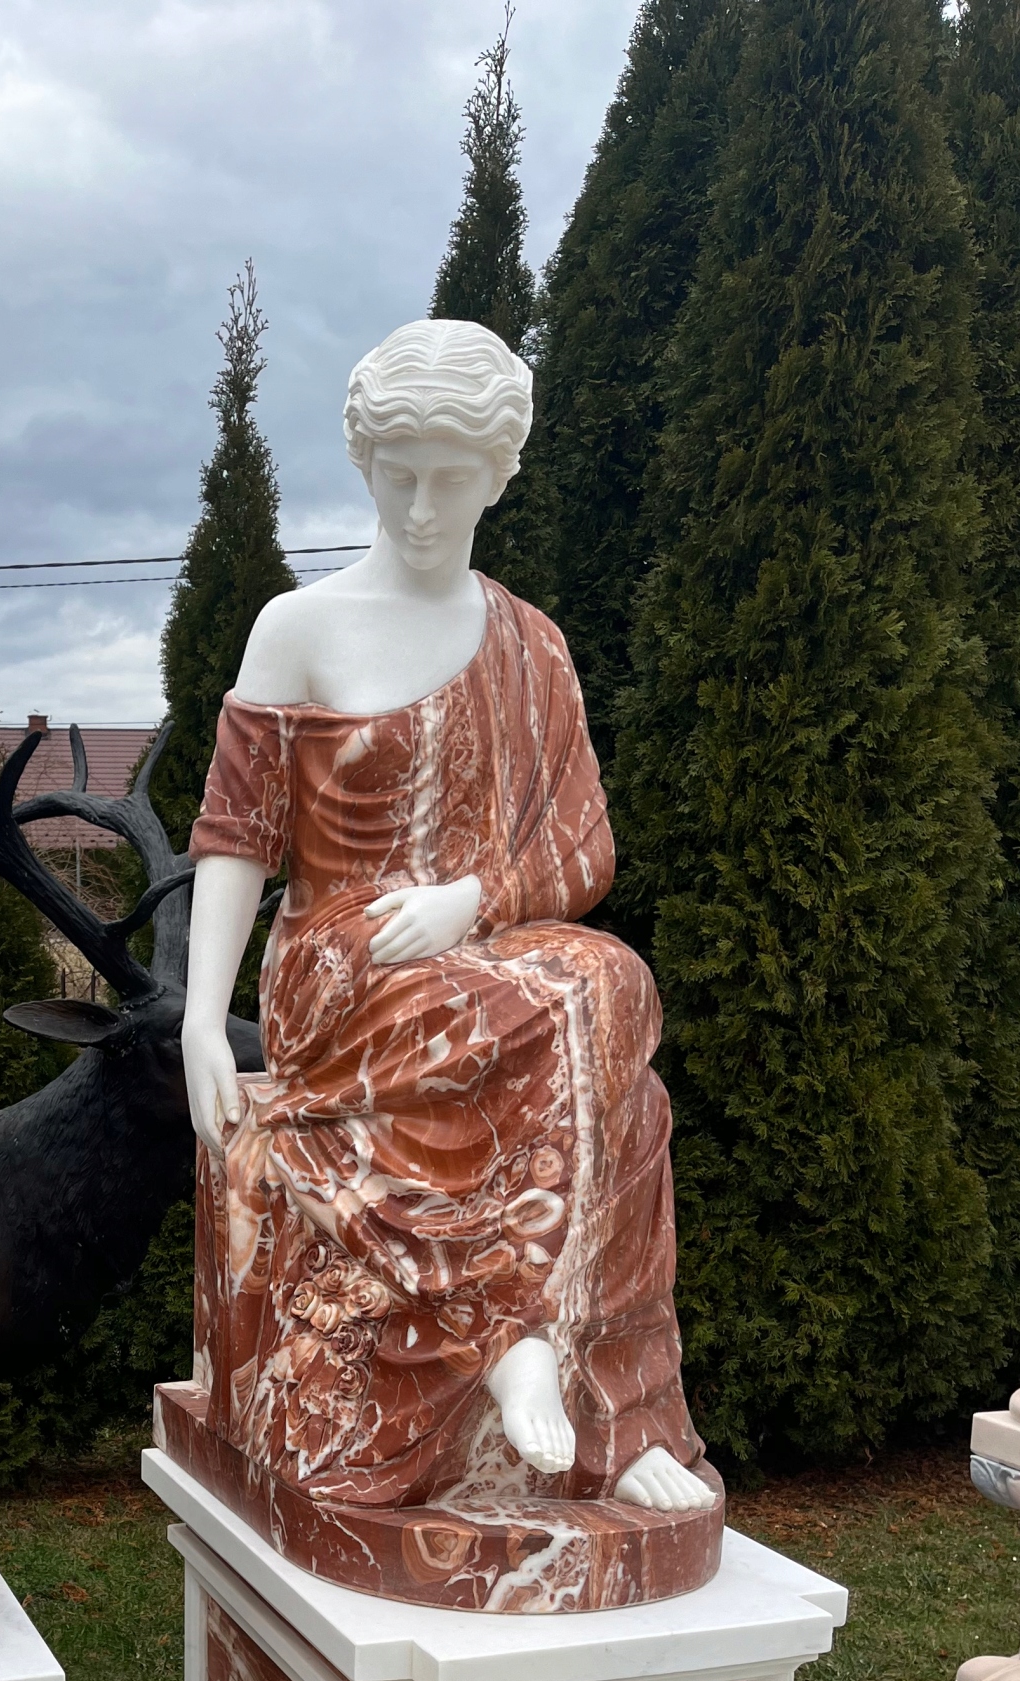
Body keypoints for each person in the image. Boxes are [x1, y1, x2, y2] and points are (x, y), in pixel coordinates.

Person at [177, 318, 712, 1525]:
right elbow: (236, 837)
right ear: (364, 463)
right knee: (576, 1002)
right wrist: (204, 1021)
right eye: (398, 474)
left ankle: (614, 1411)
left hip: (487, 948)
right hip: (345, 964)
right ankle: (519, 1342)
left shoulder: (534, 645)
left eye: (451, 478)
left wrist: (477, 900)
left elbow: (585, 845)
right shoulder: (297, 628)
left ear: (500, 475)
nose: (421, 508)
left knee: (616, 1008)